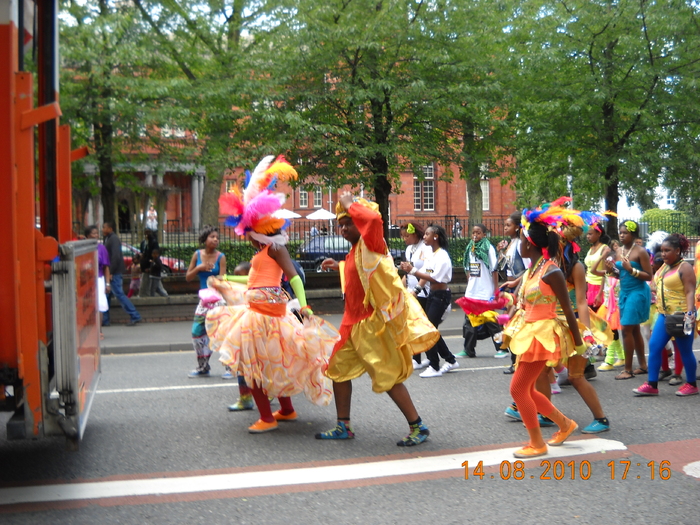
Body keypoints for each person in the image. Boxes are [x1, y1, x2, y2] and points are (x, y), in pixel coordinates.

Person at [206, 155, 338, 434]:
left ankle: (267, 418)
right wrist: (226, 278)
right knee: (271, 362)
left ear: (259, 229)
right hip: (258, 311)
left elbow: (294, 278)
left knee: (253, 367)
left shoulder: (277, 249)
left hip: (265, 314)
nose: (247, 237)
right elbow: (253, 279)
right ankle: (286, 410)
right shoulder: (264, 252)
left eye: (248, 233)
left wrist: (304, 306)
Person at [316, 192, 439, 446]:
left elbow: (372, 219)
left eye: (348, 222)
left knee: (388, 378)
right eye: (340, 224)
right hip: (351, 324)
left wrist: (351, 203)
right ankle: (343, 426)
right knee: (337, 371)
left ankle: (418, 426)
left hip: (371, 325)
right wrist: (338, 265)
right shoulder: (355, 250)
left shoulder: (372, 241)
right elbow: (360, 275)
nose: (343, 229)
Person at [501, 202, 586, 458]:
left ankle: (537, 443)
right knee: (526, 389)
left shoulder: (552, 271)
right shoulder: (531, 271)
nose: (519, 244)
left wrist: (579, 342)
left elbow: (568, 310)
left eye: (521, 240)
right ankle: (564, 424)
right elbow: (526, 302)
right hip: (528, 334)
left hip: (542, 336)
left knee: (518, 390)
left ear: (530, 244)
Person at [634, 233, 698, 397]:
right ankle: (652, 384)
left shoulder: (685, 267)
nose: (663, 254)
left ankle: (691, 384)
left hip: (681, 315)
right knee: (655, 346)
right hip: (664, 314)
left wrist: (689, 313)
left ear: (677, 251)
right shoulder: (665, 266)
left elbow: (690, 291)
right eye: (662, 250)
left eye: (667, 250)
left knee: (684, 351)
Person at [400, 225, 459, 377]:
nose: (424, 236)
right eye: (424, 234)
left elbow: (435, 277)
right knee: (429, 329)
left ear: (436, 236)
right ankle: (450, 360)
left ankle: (435, 365)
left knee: (428, 329)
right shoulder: (432, 255)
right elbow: (425, 274)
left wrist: (412, 270)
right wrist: (411, 273)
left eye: (427, 234)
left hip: (441, 295)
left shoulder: (442, 256)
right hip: (433, 294)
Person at [603, 220, 651, 379]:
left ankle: (628, 369)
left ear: (633, 234)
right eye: (620, 232)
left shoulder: (640, 252)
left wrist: (632, 270)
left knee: (626, 330)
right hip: (624, 293)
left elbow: (648, 275)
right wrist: (612, 271)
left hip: (637, 292)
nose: (622, 235)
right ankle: (643, 366)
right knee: (635, 329)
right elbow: (621, 274)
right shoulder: (619, 251)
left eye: (625, 233)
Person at [186, 225, 227, 377]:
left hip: (218, 300)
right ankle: (203, 366)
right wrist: (200, 268)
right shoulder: (197, 255)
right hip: (203, 300)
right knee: (197, 332)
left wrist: (215, 279)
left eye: (217, 237)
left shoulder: (221, 257)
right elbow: (188, 277)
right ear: (205, 239)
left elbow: (223, 280)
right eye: (212, 237)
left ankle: (229, 367)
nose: (216, 239)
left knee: (221, 333)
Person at [460, 224, 502, 358]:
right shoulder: (470, 248)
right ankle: (468, 350)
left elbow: (494, 269)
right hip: (472, 291)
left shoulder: (488, 248)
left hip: (485, 292)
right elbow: (468, 268)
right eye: (473, 233)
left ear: (484, 234)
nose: (475, 235)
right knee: (469, 322)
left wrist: (495, 290)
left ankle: (502, 348)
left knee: (491, 322)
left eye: (478, 233)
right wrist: (470, 283)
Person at [497, 211, 530, 372]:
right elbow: (504, 268)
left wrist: (516, 285)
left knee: (515, 326)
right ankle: (514, 360)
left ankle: (517, 361)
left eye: (508, 225)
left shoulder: (520, 244)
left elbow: (528, 269)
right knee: (508, 325)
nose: (505, 228)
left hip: (518, 288)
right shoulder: (510, 244)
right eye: (505, 225)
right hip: (510, 288)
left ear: (518, 227)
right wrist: (501, 253)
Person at [399, 222, 432, 369]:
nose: (404, 238)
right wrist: (400, 288)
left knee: (423, 326)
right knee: (413, 326)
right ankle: (417, 359)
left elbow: (427, 271)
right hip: (411, 292)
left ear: (415, 234)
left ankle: (441, 358)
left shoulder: (426, 248)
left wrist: (418, 289)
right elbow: (408, 272)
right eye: (402, 236)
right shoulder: (409, 249)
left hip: (424, 292)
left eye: (407, 235)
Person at [102, 222, 142, 327]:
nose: (102, 229)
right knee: (106, 295)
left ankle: (135, 315)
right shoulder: (108, 238)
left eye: (104, 227)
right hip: (112, 272)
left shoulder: (113, 239)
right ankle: (105, 320)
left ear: (110, 228)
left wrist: (110, 272)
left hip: (114, 272)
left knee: (119, 294)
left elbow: (115, 256)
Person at [85, 225, 111, 339]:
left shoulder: (101, 248)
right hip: (86, 280)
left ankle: (99, 330)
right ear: (87, 235)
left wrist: (107, 283)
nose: (95, 235)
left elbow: (106, 267)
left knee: (100, 304)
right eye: (93, 233)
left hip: (99, 278)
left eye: (97, 233)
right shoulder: (83, 248)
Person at [139, 229, 159, 297]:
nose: (146, 235)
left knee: (151, 284)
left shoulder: (153, 242)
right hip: (145, 265)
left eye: (147, 233)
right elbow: (143, 252)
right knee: (154, 285)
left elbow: (154, 255)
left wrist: (150, 266)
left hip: (149, 266)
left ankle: (144, 295)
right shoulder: (144, 243)